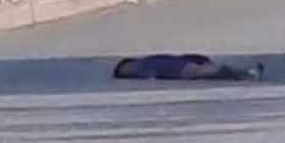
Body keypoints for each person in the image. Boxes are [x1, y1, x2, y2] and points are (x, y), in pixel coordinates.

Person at [113, 54, 265, 81]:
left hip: (182, 69)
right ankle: (247, 72)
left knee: (217, 72)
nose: (129, 69)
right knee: (215, 72)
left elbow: (150, 76)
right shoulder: (145, 64)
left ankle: (248, 73)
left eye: (126, 68)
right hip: (181, 69)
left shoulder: (144, 65)